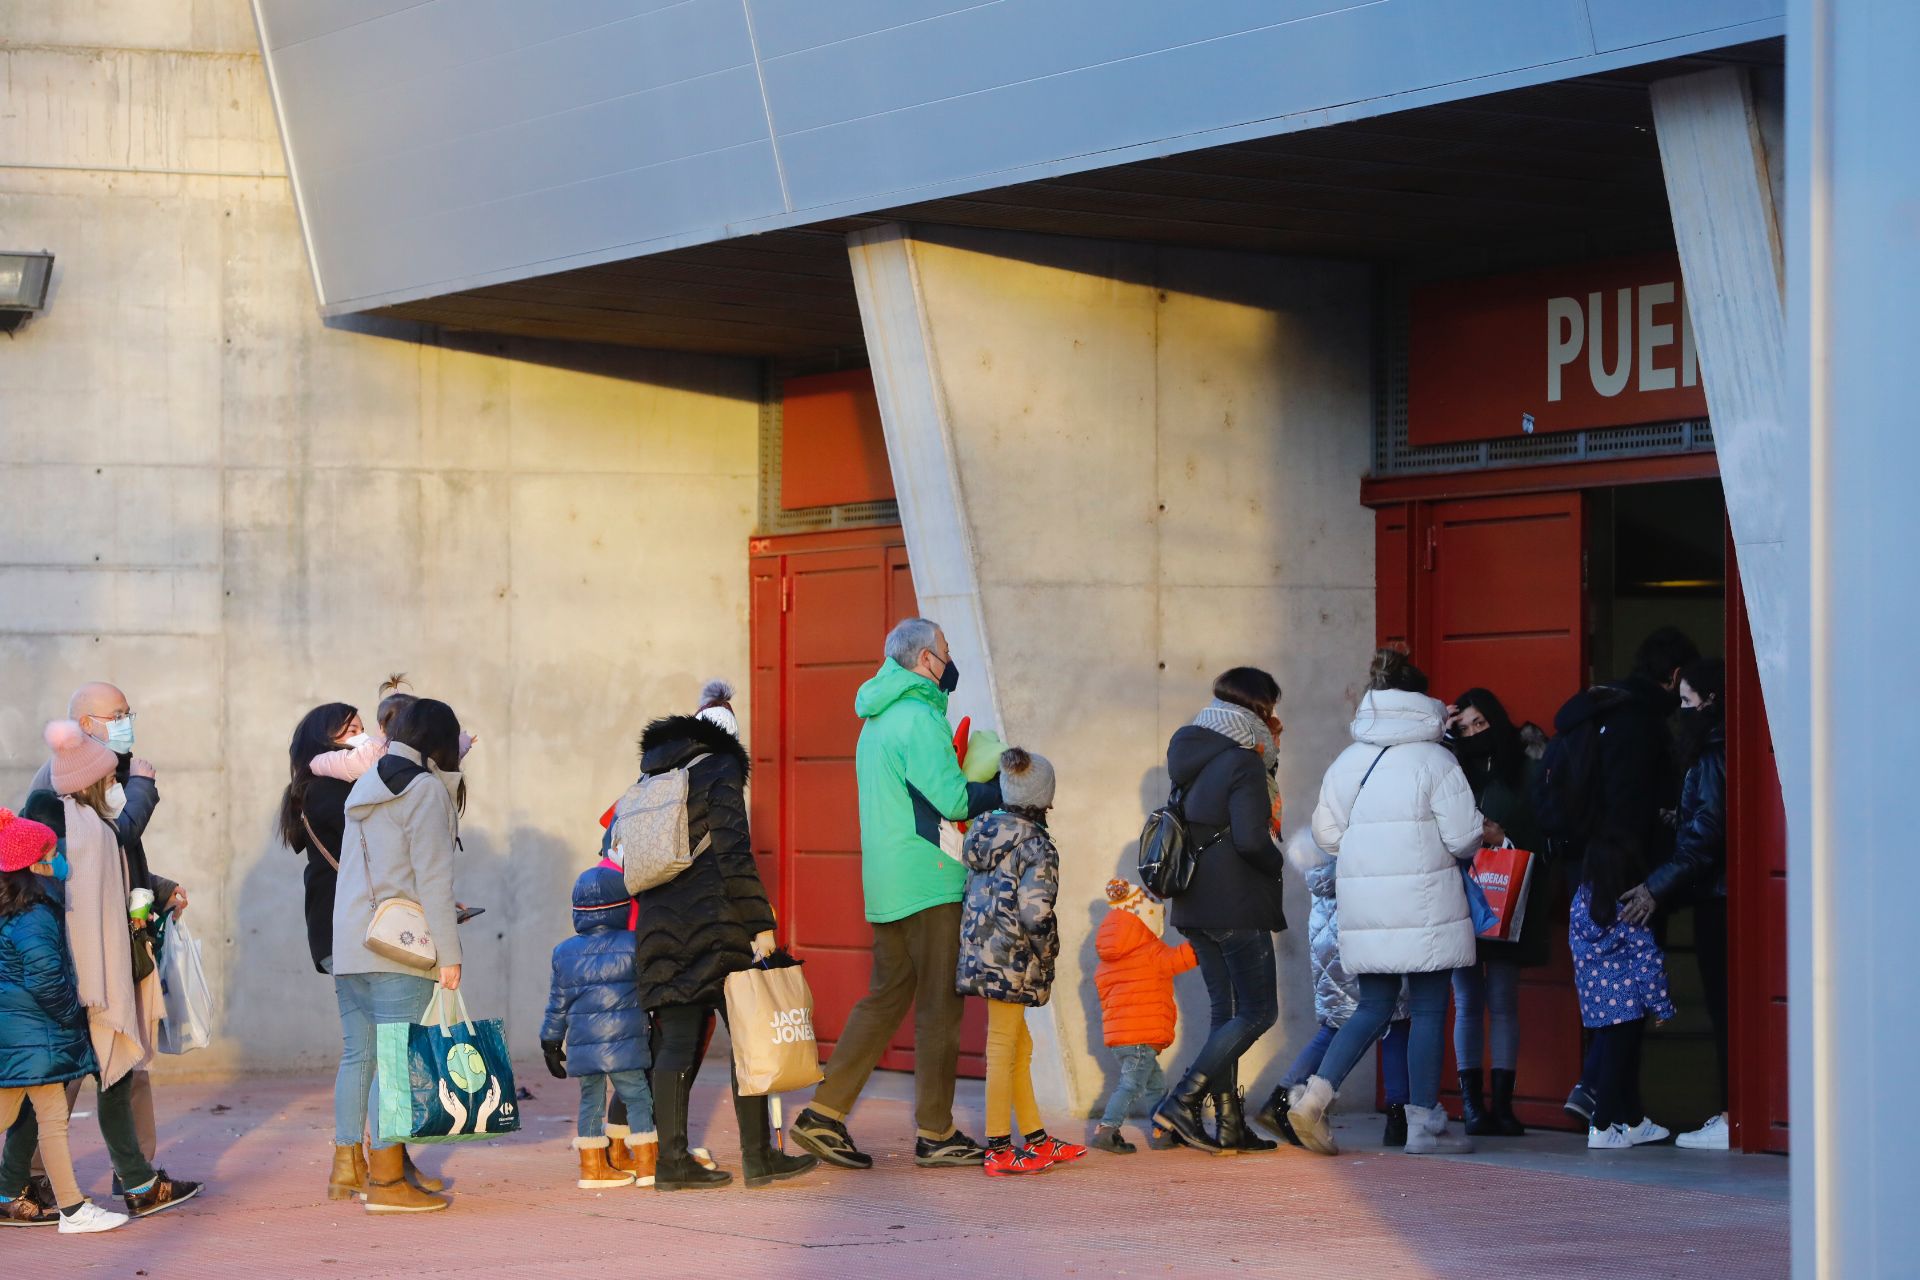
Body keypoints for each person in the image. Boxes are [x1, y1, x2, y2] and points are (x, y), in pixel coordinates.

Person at [789, 619, 1002, 1171]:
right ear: (926, 660)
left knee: (883, 1000)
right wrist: (1004, 786)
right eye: (947, 654)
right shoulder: (919, 719)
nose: (951, 664)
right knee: (938, 1007)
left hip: (888, 881)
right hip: (929, 879)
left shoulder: (878, 719)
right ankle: (937, 1131)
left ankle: (824, 1114)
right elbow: (954, 800)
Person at [1288, 649, 1486, 1157]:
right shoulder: (1438, 760)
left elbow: (1327, 838)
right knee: (1427, 1010)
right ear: (1424, 702)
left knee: (1371, 1007)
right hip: (1426, 907)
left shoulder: (1348, 760)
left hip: (1367, 907)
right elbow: (1465, 837)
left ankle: (1314, 1097)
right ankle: (1422, 1126)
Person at [0, 723, 200, 1217]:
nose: (116, 783)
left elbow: (120, 870)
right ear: (92, 780)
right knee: (71, 1079)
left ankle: (29, 1187)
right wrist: (142, 789)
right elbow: (107, 857)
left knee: (74, 1079)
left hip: (82, 975)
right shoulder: (70, 825)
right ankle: (43, 1189)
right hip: (81, 978)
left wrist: (156, 889)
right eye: (111, 777)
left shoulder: (90, 820)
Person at [630, 705, 814, 1192]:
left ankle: (670, 1164)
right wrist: (759, 922)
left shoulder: (650, 776)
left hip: (658, 922)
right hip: (716, 921)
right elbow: (733, 850)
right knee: (750, 1038)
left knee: (674, 1044)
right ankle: (759, 1158)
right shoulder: (721, 768)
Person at [1544, 626, 1698, 1125]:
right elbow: (1630, 805)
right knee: (1631, 990)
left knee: (1606, 988)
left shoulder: (1597, 709)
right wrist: (1647, 880)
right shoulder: (1640, 722)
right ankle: (1604, 1106)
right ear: (1674, 678)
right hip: (1623, 873)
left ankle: (1622, 1110)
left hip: (1582, 868)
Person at [330, 698, 469, 1213]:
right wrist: (449, 954)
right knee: (395, 1065)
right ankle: (388, 1183)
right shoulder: (426, 789)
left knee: (359, 1056)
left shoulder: (366, 785)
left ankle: (349, 1166)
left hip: (351, 944)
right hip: (400, 950)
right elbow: (433, 877)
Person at [1151, 667, 1289, 1155]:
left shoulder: (1190, 752)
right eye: (1271, 707)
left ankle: (1229, 1123)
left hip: (1193, 904)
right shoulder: (1243, 762)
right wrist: (1280, 861)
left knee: (1225, 1013)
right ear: (1259, 708)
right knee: (1259, 1011)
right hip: (1237, 904)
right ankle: (1183, 1099)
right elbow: (1253, 840)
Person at [0, 809, 129, 1234]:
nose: (60, 860)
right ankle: (73, 1211)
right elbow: (46, 978)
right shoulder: (33, 916)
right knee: (48, 1118)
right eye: (52, 853)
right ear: (33, 865)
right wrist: (72, 1017)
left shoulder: (14, 909)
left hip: (23, 1034)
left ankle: (73, 1208)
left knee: (38, 1116)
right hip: (36, 1033)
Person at [1621, 657, 1730, 1150]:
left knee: (1725, 1010)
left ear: (1710, 701)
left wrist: (1653, 888)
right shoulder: (1721, 752)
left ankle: (1732, 1114)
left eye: (1687, 702)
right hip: (1721, 894)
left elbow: (1704, 839)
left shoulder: (1710, 756)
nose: (1681, 711)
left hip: (1719, 901)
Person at [954, 749, 1080, 1176]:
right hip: (1013, 959)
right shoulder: (1037, 845)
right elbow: (1036, 912)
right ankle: (998, 1147)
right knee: (1003, 1048)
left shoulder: (984, 832)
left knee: (1019, 1048)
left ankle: (1036, 1138)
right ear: (1045, 796)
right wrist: (1049, 955)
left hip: (982, 955)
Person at [1261, 831, 1414, 1148]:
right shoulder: (1363, 839)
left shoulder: (1322, 844)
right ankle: (1399, 1117)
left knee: (1339, 1025)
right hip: (1361, 938)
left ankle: (1280, 1099)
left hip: (1329, 945)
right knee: (1395, 1021)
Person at [1445, 687, 1548, 1137]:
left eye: (1480, 723)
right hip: (1459, 897)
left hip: (1510, 897)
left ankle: (1503, 1107)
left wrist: (1503, 835)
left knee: (1504, 1002)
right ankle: (1472, 1106)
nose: (1473, 733)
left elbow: (1545, 829)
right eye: (1464, 727)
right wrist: (1442, 737)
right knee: (1467, 1002)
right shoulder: (1449, 768)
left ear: (1495, 719)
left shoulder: (1527, 768)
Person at [543, 865, 655, 1189]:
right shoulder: (635, 943)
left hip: (582, 1042)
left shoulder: (564, 952)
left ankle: (592, 1169)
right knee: (637, 1097)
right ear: (622, 906)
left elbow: (557, 1003)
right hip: (626, 1040)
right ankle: (647, 1165)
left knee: (589, 1101)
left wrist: (550, 1043)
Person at [1571, 832, 1674, 1150]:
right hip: (1628, 1004)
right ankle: (1600, 1126)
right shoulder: (1630, 913)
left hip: (1595, 1002)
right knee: (1617, 1065)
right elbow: (1648, 963)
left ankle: (1634, 1122)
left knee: (1623, 1062)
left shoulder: (1580, 903)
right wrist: (1662, 1006)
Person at [1090, 879, 1196, 1154]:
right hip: (1142, 1037)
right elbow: (1180, 959)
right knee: (1131, 1086)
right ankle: (1107, 1129)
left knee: (1154, 1085)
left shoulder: (1106, 962)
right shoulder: (1151, 952)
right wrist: (1201, 942)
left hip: (1120, 1039)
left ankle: (1162, 1131)